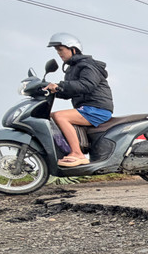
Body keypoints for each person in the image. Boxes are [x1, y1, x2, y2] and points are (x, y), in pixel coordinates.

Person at [44, 33, 114, 167]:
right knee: (50, 117)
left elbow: (86, 85)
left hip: (97, 108)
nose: (59, 53)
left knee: (60, 116)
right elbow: (69, 92)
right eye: (57, 50)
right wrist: (49, 90)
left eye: (60, 49)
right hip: (86, 108)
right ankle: (65, 151)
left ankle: (77, 153)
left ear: (73, 49)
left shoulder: (88, 65)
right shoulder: (72, 69)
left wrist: (60, 86)